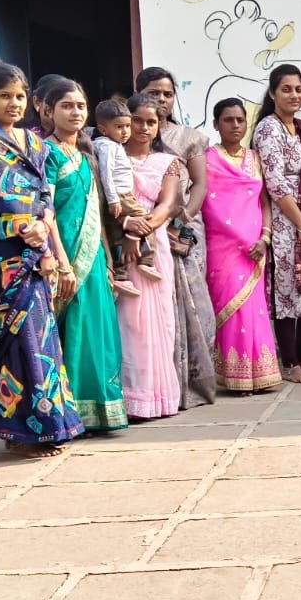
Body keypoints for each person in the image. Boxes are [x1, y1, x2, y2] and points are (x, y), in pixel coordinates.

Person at [0, 63, 85, 457]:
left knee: (44, 337)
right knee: (16, 337)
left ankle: (50, 424)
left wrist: (44, 228)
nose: (13, 104)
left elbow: (45, 192)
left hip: (36, 246)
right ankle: (20, 431)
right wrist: (33, 237)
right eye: (4, 96)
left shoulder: (34, 142)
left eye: (18, 96)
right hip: (3, 255)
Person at [44, 79, 129, 432]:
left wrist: (108, 261)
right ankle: (72, 413)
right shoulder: (46, 153)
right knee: (73, 332)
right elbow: (45, 212)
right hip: (64, 255)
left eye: (80, 105)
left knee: (98, 332)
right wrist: (62, 263)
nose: (75, 112)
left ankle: (102, 411)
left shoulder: (85, 155)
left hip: (93, 257)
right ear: (48, 110)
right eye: (66, 105)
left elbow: (95, 210)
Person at [135, 67, 216, 409]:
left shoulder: (189, 137)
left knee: (195, 306)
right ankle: (158, 386)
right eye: (153, 93)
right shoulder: (128, 133)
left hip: (184, 229)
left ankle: (193, 384)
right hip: (143, 229)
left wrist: (180, 219)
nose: (162, 99)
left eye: (168, 94)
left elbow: (199, 184)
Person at [251, 64, 301, 384]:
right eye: (286, 89)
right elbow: (276, 184)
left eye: (299, 89)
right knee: (286, 292)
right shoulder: (268, 129)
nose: (294, 95)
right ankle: (290, 362)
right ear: (273, 93)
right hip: (285, 222)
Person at [203, 97, 283, 393]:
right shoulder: (207, 159)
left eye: (240, 120)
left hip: (254, 248)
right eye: (228, 120)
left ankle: (258, 374)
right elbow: (207, 205)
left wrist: (265, 238)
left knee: (253, 310)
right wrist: (239, 236)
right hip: (222, 249)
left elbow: (265, 203)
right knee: (230, 309)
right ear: (216, 124)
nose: (235, 125)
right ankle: (233, 376)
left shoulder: (255, 159)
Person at [115, 93, 183, 417]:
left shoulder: (167, 162)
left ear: (159, 126)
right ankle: (131, 398)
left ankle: (159, 398)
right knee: (129, 320)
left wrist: (138, 234)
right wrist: (126, 230)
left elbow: (167, 206)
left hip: (152, 246)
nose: (143, 128)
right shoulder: (112, 158)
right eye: (137, 121)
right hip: (119, 245)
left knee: (160, 320)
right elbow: (107, 203)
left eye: (151, 122)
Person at [91, 98, 157, 299]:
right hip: (121, 195)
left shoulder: (108, 144)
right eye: (119, 127)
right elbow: (106, 173)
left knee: (115, 234)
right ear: (103, 129)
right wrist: (113, 199)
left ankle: (120, 275)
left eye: (127, 126)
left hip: (117, 196)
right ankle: (146, 260)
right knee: (146, 218)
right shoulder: (108, 146)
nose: (126, 131)